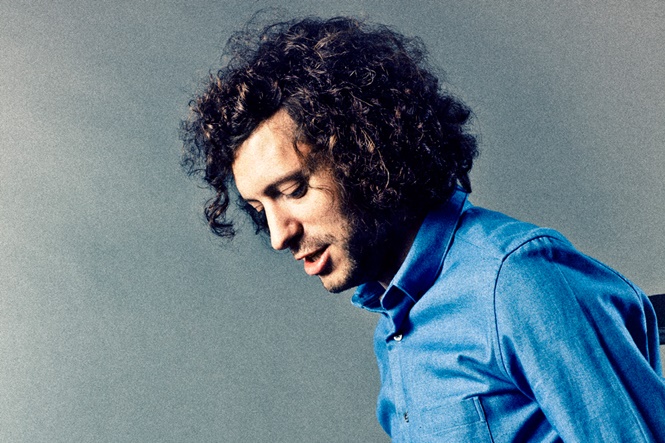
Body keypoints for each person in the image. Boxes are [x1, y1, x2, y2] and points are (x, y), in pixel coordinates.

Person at [181, 15, 665, 442]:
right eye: (258, 208)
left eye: (293, 190)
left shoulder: (517, 282)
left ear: (364, 155)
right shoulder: (394, 321)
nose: (277, 235)